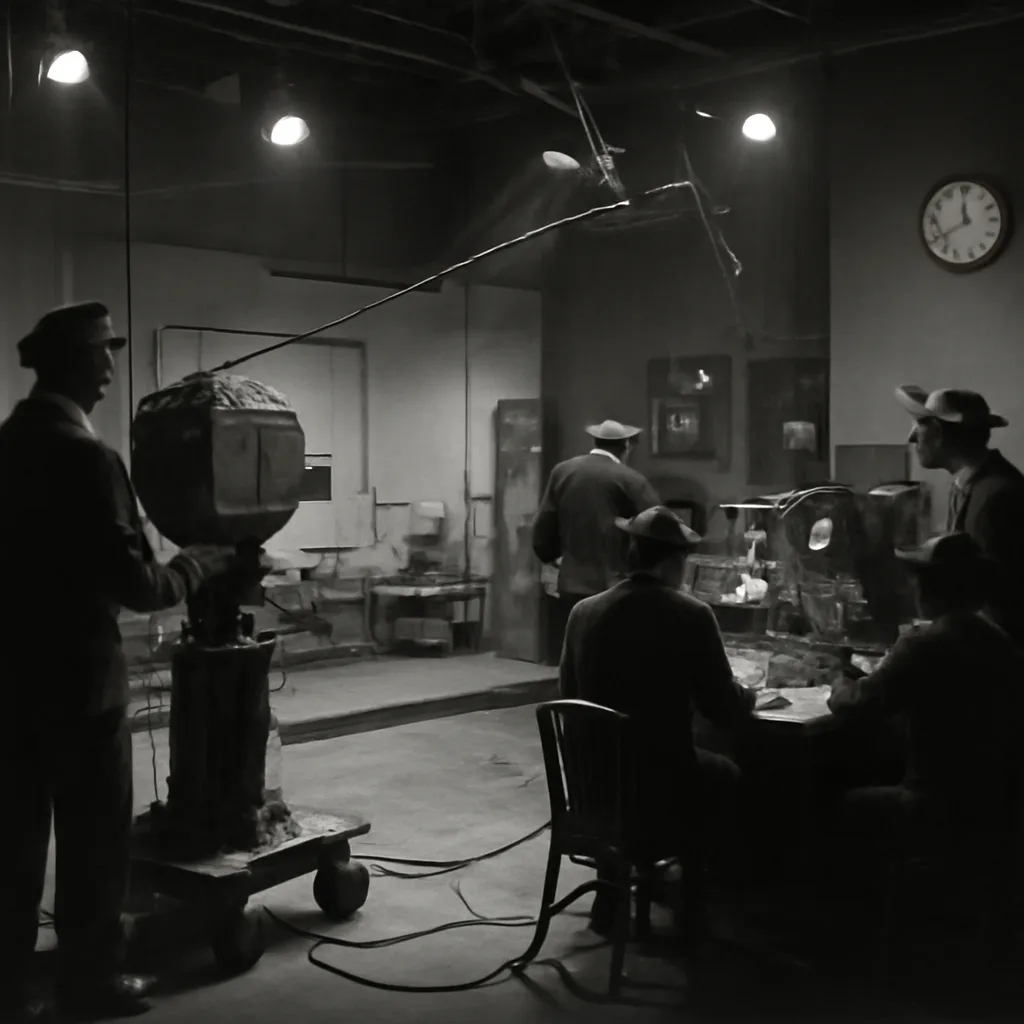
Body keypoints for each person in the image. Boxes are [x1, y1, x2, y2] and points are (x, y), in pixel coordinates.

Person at [0, 302, 235, 1021]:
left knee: (12, 846)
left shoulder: (8, 443)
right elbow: (136, 584)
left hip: (10, 681)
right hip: (81, 688)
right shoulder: (88, 457)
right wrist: (196, 565)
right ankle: (91, 981)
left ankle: (9, 987)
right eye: (102, 353)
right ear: (72, 362)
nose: (110, 366)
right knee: (94, 843)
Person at [559, 506, 756, 940]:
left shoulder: (583, 613)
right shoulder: (690, 614)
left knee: (646, 758)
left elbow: (568, 694)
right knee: (726, 773)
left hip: (593, 788)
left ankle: (610, 895)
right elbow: (723, 708)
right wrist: (750, 691)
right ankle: (695, 901)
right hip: (657, 791)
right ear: (674, 562)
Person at [827, 532, 1024, 912]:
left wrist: (840, 682)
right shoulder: (1003, 644)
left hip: (933, 807)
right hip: (996, 809)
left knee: (840, 801)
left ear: (925, 588)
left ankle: (847, 926)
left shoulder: (924, 645)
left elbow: (856, 707)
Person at [897, 385, 1024, 645]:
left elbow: (996, 606)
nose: (912, 437)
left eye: (919, 424)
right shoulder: (969, 485)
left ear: (939, 433)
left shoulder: (998, 496)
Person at [532, 419, 661, 664]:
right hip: (616, 583)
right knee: (612, 655)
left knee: (577, 652)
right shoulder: (630, 479)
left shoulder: (563, 471)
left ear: (596, 442)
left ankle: (574, 698)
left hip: (571, 581)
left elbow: (544, 524)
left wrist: (553, 557)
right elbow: (658, 524)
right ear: (625, 446)